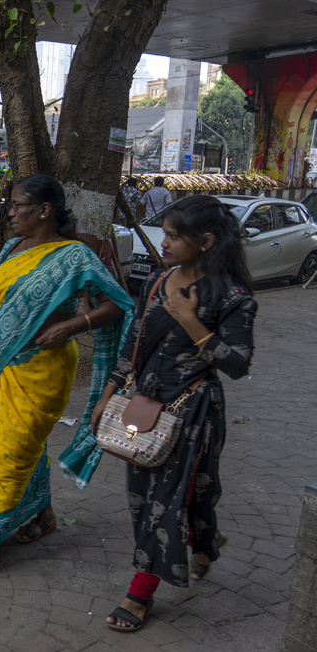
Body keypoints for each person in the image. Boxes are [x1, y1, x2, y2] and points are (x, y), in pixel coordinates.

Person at [0, 174, 134, 575]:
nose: (9, 213)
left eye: (16, 205)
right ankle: (44, 516)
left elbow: (117, 303)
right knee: (13, 447)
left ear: (43, 210)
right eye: (10, 205)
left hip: (45, 370)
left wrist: (73, 325)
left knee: (11, 451)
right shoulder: (12, 248)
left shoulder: (74, 257)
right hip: (7, 365)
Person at [94, 195, 256, 632]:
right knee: (150, 497)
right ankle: (204, 543)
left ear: (205, 241)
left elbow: (238, 364)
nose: (163, 242)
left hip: (194, 414)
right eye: (163, 233)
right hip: (144, 407)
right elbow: (134, 341)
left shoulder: (233, 296)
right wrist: (108, 394)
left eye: (173, 236)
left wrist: (192, 322)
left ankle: (140, 593)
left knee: (163, 505)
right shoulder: (158, 280)